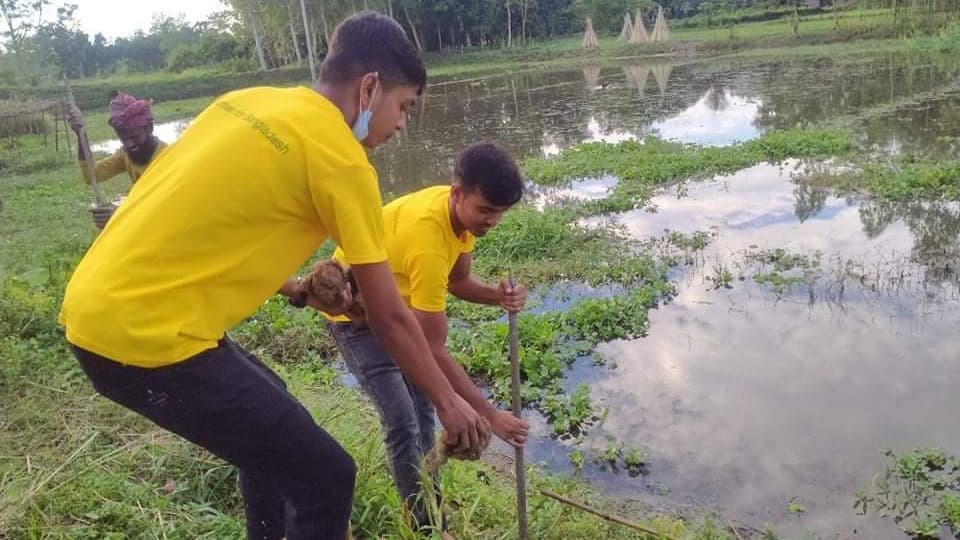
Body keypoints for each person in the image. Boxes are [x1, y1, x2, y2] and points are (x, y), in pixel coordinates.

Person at [59, 12, 486, 540]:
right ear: (370, 88)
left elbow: (213, 224)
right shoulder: (344, 160)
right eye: (404, 107)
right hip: (145, 338)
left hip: (92, 308)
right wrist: (450, 402)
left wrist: (295, 289)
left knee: (271, 429)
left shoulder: (244, 102)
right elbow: (389, 315)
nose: (402, 125)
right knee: (327, 475)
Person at [314, 142, 530, 530]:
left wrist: (497, 296)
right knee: (402, 421)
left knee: (424, 414)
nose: (491, 222)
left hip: (397, 310)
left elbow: (459, 280)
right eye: (485, 210)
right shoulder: (428, 237)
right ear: (457, 193)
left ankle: (431, 508)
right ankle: (427, 527)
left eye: (499, 213)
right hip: (355, 314)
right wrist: (490, 413)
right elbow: (432, 348)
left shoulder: (459, 220)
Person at [67, 92, 168, 228]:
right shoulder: (126, 155)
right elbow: (92, 176)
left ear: (149, 128)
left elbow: (162, 208)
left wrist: (119, 215)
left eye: (135, 137)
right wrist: (81, 135)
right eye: (123, 138)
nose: (129, 144)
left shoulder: (166, 158)